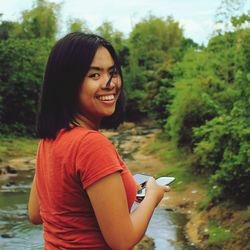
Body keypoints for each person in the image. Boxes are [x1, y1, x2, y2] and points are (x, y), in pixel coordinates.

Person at [28, 32, 170, 250]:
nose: (109, 83)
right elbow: (122, 240)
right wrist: (153, 195)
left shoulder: (49, 140)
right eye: (94, 75)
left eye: (112, 73)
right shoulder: (91, 145)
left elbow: (37, 214)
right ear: (67, 83)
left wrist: (142, 190)